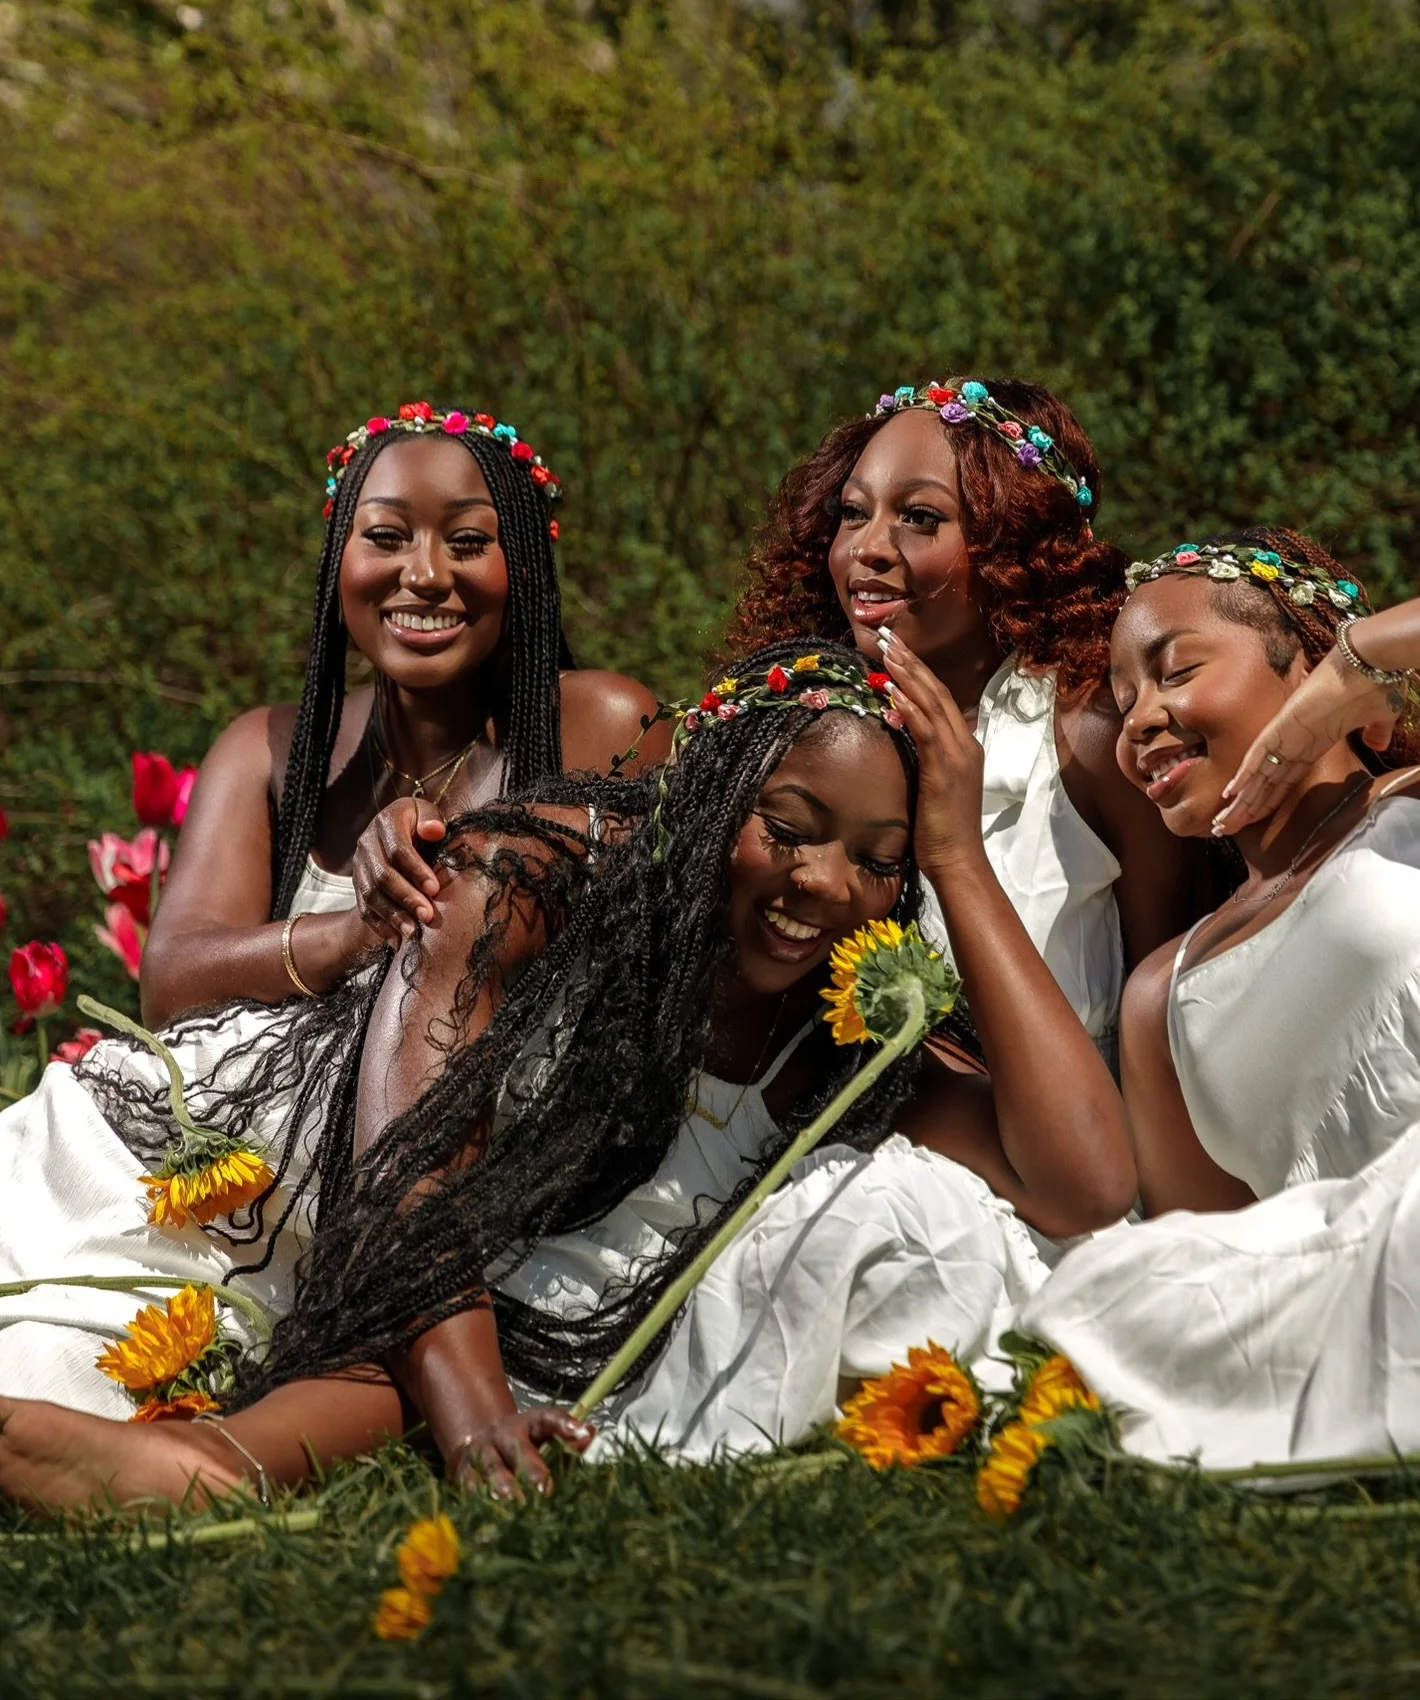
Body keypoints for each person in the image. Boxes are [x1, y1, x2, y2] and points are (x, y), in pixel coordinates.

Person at [0, 644, 1134, 1512]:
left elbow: (1085, 1180)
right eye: (787, 829)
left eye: (877, 859)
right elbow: (413, 1157)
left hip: (415, 1288)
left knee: (433, 1365)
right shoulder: (547, 870)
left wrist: (955, 859)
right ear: (708, 800)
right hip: (234, 1167)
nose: (828, 885)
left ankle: (191, 1465)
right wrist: (478, 1418)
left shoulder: (848, 1036)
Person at [1019, 533, 1420, 1466]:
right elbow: (1212, 1266)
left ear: (1305, 660)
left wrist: (1367, 654)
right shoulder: (1162, 998)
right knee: (1123, 1291)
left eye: (1175, 671)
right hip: (1364, 1253)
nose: (1139, 722)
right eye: (1124, 701)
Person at [138, 401, 661, 1027]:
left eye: (468, 542)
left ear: (521, 565)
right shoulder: (266, 751)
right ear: (340, 560)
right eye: (386, 537)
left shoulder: (600, 724)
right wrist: (356, 931)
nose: (426, 575)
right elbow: (169, 984)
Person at [724, 378, 1197, 1062]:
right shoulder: (800, 728)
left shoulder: (1091, 739)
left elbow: (1168, 1013)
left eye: (919, 517)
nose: (868, 547)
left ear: (1015, 544)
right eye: (852, 513)